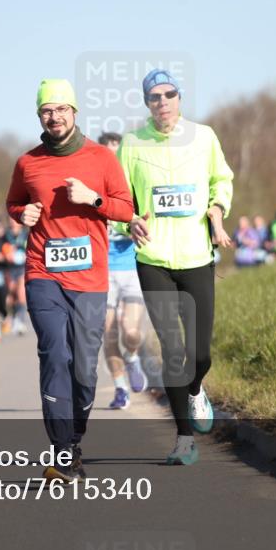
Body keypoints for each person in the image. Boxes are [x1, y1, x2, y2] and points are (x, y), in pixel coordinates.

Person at [6, 79, 133, 482]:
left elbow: (127, 209)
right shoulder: (28, 163)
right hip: (43, 272)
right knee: (54, 353)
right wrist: (20, 214)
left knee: (85, 369)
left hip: (90, 278)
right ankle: (61, 450)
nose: (54, 116)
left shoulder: (101, 158)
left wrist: (93, 199)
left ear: (75, 113)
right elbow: (14, 202)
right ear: (39, 115)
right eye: (47, 110)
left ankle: (74, 438)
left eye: (62, 108)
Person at [118, 69, 234, 465]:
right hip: (153, 259)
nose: (162, 102)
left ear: (179, 98)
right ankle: (184, 438)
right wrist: (127, 221)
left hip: (197, 257)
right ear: (147, 103)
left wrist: (217, 214)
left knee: (200, 353)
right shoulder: (132, 144)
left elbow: (222, 181)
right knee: (173, 349)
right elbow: (119, 198)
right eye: (154, 97)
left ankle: (197, 388)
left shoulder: (204, 137)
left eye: (169, 94)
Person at [97, 133, 148, 409]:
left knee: (129, 331)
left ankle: (132, 358)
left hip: (130, 268)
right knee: (108, 331)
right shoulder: (92, 192)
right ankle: (120, 388)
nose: (114, 161)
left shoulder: (134, 190)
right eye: (108, 155)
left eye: (118, 155)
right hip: (102, 271)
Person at [4, 217, 30, 336]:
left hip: (22, 268)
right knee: (11, 295)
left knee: (21, 294)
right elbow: (1, 248)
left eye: (15, 220)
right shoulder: (6, 235)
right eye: (10, 220)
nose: (12, 222)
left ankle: (21, 321)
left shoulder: (26, 234)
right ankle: (13, 317)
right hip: (9, 268)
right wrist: (5, 254)